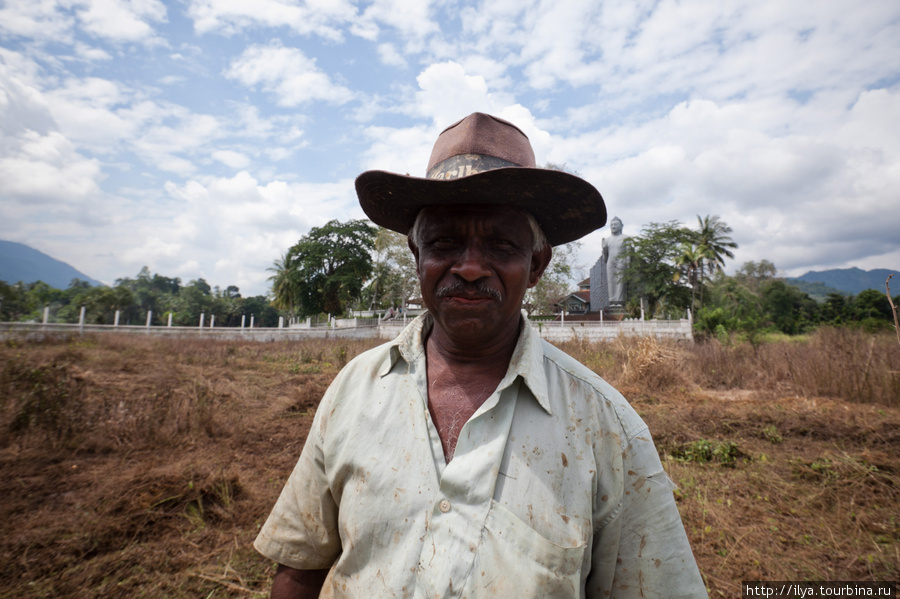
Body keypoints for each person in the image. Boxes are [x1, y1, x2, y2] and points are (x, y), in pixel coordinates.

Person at [254, 112, 707, 598]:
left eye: (500, 243)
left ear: (535, 265)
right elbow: (301, 571)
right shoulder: (352, 389)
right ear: (417, 256)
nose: (470, 267)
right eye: (445, 241)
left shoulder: (607, 427)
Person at [603, 216, 627, 305]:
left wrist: (626, 264)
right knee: (611, 282)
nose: (613, 226)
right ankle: (612, 300)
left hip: (621, 262)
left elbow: (628, 253)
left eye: (616, 224)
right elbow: (605, 257)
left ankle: (620, 301)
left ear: (621, 226)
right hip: (610, 263)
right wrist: (604, 248)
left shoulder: (625, 238)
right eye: (611, 225)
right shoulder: (608, 239)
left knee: (620, 282)